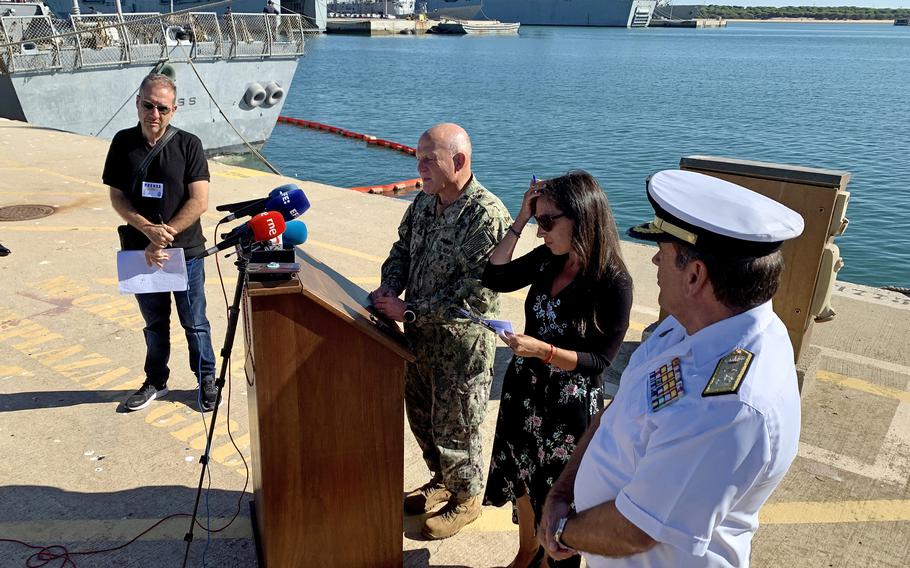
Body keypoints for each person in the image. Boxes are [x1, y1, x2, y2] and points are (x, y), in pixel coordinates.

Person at [537, 169, 805, 567]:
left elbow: (636, 529)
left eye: (664, 249)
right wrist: (563, 490)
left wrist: (558, 532)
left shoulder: (728, 407)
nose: (655, 257)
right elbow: (620, 409)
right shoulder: (692, 325)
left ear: (696, 275)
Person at [482, 171, 633, 568]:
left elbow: (600, 361)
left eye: (547, 222)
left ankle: (553, 558)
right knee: (522, 478)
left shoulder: (613, 281)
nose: (539, 232)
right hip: (525, 390)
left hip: (568, 405)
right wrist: (519, 218)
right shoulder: (550, 257)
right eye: (538, 220)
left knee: (559, 491)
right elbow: (494, 276)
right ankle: (527, 550)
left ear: (582, 218)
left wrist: (544, 350)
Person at [369, 123, 511, 540]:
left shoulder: (486, 216)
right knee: (424, 419)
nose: (420, 165)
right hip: (419, 341)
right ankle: (441, 480)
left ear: (459, 162)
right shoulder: (424, 203)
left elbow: (473, 293)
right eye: (418, 156)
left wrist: (408, 308)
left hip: (461, 350)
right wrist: (390, 285)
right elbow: (401, 250)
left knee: (458, 427)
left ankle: (466, 499)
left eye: (429, 158)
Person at [103, 74, 218, 413]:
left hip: (185, 253)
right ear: (137, 104)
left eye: (162, 108)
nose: (155, 114)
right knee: (154, 324)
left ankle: (206, 378)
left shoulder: (189, 145)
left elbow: (199, 200)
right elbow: (117, 196)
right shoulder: (123, 143)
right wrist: (147, 230)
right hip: (141, 252)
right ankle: (156, 380)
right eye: (148, 105)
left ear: (174, 110)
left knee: (194, 322)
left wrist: (163, 234)